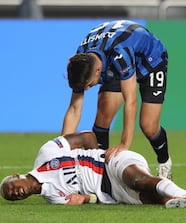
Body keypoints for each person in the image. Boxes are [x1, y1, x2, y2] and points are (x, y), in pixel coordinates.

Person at [0, 131, 186, 208]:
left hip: (111, 164)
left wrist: (102, 151)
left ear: (15, 176)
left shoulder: (47, 154)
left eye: (10, 189)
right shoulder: (52, 198)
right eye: (12, 197)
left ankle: (184, 198)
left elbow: (85, 137)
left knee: (139, 181)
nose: (15, 193)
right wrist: (86, 198)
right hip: (112, 194)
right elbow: (86, 199)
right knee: (160, 199)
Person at [62, 20, 172, 179]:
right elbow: (74, 109)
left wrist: (124, 144)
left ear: (98, 70)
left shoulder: (120, 54)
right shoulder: (82, 60)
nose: (86, 89)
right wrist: (62, 151)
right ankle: (100, 176)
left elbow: (131, 101)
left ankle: (164, 162)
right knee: (102, 116)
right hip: (113, 63)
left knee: (148, 125)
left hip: (151, 61)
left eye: (88, 85)